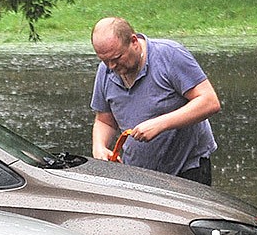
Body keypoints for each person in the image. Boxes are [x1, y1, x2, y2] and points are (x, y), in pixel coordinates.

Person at [90, 16, 221, 186]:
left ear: (134, 41)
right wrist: (99, 147)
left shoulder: (170, 55)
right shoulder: (106, 71)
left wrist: (160, 124)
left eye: (117, 58)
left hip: (187, 169)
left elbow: (209, 102)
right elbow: (105, 121)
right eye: (104, 60)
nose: (111, 66)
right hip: (138, 173)